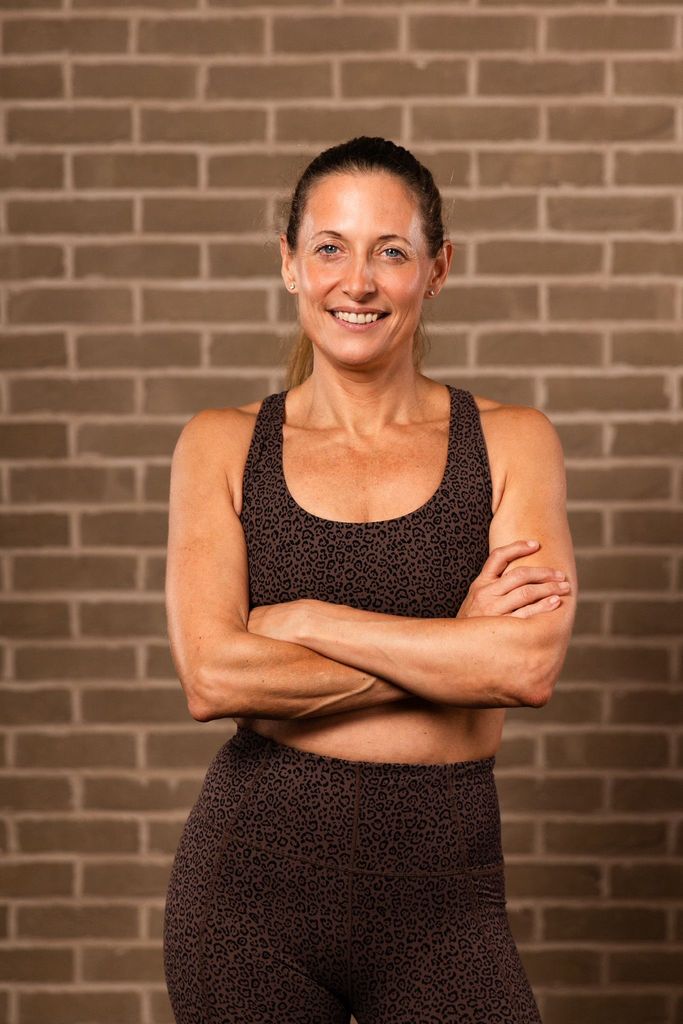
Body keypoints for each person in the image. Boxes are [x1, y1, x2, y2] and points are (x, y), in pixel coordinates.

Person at [162, 136, 577, 1024]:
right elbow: (213, 678)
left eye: (390, 251)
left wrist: (304, 617)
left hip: (446, 905)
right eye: (329, 248)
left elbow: (523, 668)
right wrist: (454, 644)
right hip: (246, 897)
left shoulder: (510, 442)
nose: (357, 281)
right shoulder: (221, 444)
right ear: (289, 265)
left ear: (436, 271)